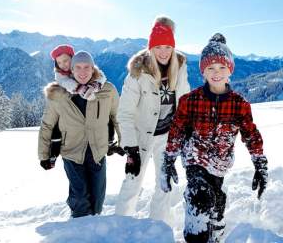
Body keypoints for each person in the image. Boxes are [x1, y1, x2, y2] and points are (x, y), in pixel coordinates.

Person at [160, 33, 269, 242]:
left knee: (216, 205)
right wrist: (168, 159)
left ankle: (216, 233)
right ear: (203, 71)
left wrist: (260, 163)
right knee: (199, 195)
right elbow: (177, 130)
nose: (216, 73)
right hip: (195, 158)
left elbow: (250, 134)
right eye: (210, 68)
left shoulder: (239, 104)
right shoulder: (189, 101)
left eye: (221, 67)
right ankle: (195, 232)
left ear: (230, 70)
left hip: (220, 163)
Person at [115, 16, 190, 223]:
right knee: (133, 183)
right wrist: (131, 149)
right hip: (141, 137)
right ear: (150, 48)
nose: (164, 52)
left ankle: (159, 227)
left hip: (167, 136)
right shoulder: (138, 72)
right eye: (158, 47)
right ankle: (120, 227)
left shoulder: (180, 65)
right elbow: (125, 113)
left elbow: (184, 100)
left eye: (168, 47)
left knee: (164, 183)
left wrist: (184, 135)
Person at [38, 51, 121, 217]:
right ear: (72, 70)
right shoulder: (59, 95)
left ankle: (92, 226)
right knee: (80, 199)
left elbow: (118, 118)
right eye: (78, 67)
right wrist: (44, 155)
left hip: (98, 152)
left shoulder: (107, 91)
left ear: (93, 69)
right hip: (72, 152)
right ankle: (78, 227)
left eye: (86, 67)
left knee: (97, 202)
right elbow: (47, 125)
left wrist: (126, 145)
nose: (82, 72)